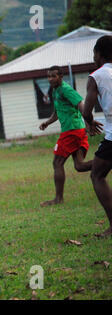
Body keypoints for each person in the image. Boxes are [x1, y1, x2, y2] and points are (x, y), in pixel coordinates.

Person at [39, 65, 92, 207]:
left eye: (53, 76)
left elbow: (81, 104)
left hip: (72, 131)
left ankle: (58, 199)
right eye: (48, 76)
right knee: (80, 166)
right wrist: (47, 123)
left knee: (57, 163)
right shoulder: (56, 91)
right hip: (75, 131)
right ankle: (107, 161)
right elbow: (57, 112)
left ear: (61, 77)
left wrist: (89, 122)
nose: (50, 79)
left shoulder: (66, 89)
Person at [80, 35, 112, 238]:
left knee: (97, 174)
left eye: (94, 53)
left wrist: (90, 122)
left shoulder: (97, 76)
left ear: (99, 54)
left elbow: (86, 110)